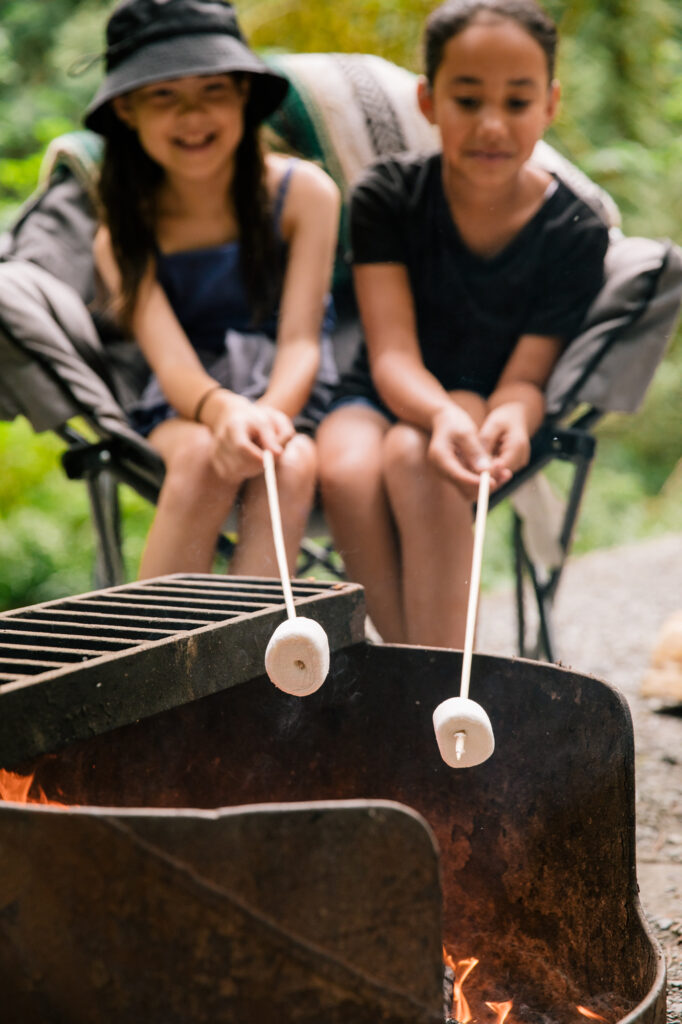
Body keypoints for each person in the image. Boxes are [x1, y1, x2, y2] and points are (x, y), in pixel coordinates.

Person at [318, 0, 609, 648]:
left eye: (516, 101)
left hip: (479, 395)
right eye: (468, 100)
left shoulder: (575, 232)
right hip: (379, 390)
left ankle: (438, 681)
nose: (491, 125)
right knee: (343, 466)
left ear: (550, 105)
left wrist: (510, 419)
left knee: (418, 459)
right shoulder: (386, 197)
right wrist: (441, 415)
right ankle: (412, 680)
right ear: (428, 100)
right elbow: (390, 353)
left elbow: (526, 380)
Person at [87, 0, 340, 579]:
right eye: (164, 96)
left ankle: (252, 665)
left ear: (245, 95)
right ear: (127, 108)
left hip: (288, 396)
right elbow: (170, 360)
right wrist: (222, 411)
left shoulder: (305, 195)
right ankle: (154, 659)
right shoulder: (121, 235)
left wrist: (267, 419)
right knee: (203, 458)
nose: (193, 115)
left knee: (290, 461)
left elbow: (302, 339)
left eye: (213, 90)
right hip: (185, 401)